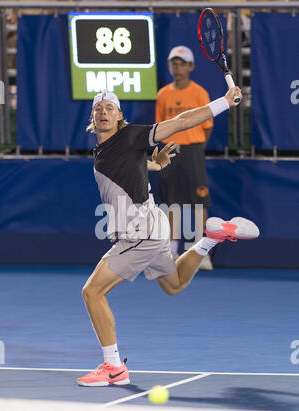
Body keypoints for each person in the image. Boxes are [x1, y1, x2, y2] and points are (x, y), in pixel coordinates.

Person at [77, 87, 259, 387]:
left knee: (92, 292)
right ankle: (211, 238)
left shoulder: (131, 136)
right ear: (92, 118)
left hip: (139, 233)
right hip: (153, 227)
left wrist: (224, 102)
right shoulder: (108, 150)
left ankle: (114, 368)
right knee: (173, 284)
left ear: (120, 116)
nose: (104, 112)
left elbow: (181, 122)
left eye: (110, 108)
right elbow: (132, 166)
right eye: (99, 108)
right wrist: (157, 164)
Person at [156, 46, 214, 270]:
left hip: (193, 151)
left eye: (182, 63)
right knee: (171, 203)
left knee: (198, 203)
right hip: (169, 151)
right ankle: (171, 252)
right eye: (174, 63)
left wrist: (195, 147)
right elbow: (160, 128)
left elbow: (207, 127)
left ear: (191, 67)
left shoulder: (199, 93)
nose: (177, 68)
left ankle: (201, 253)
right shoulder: (163, 95)